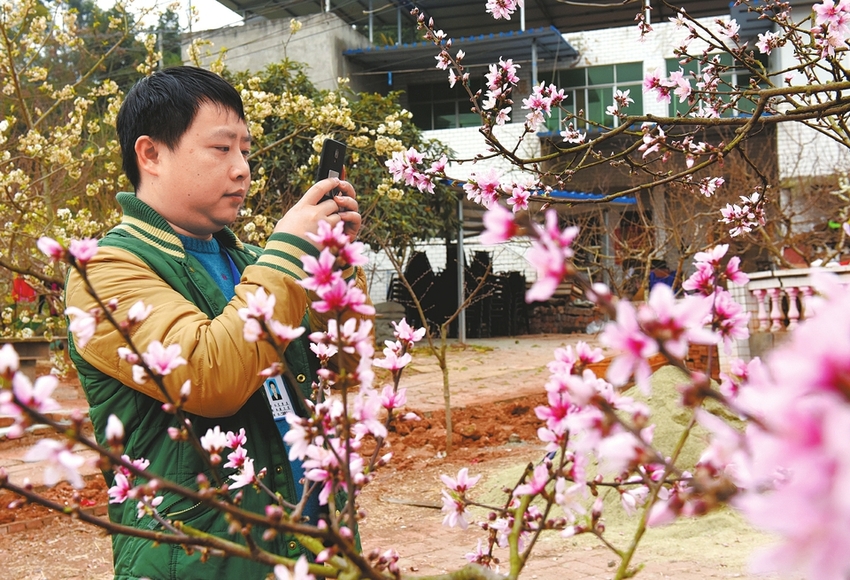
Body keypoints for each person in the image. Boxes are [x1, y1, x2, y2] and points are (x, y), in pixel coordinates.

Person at [65, 66, 370, 580]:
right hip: (200, 558)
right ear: (151, 154)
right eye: (221, 148)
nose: (242, 169)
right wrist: (290, 253)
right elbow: (208, 377)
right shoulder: (103, 270)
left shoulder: (253, 261)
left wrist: (333, 277)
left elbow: (344, 368)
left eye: (245, 151)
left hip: (313, 540)